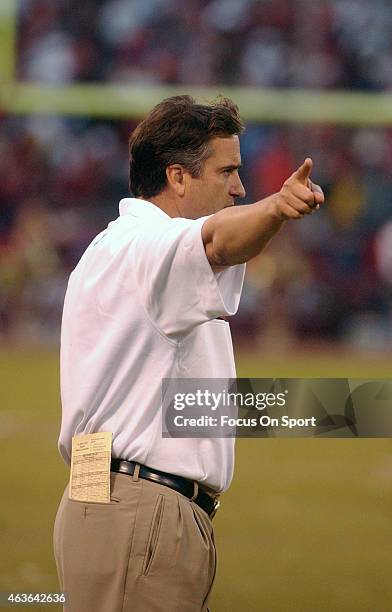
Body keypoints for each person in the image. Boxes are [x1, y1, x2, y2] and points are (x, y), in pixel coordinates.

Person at [53, 95, 325, 612]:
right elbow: (220, 242)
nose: (239, 187)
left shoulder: (114, 249)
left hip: (103, 493)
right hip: (140, 508)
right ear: (177, 177)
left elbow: (173, 404)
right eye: (227, 171)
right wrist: (276, 207)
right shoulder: (151, 245)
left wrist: (341, 408)